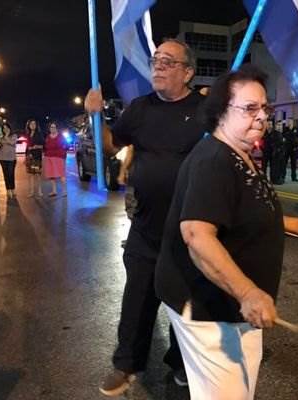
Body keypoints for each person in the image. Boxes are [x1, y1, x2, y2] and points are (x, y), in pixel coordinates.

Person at [155, 65, 298, 399]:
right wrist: (248, 292)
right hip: (211, 309)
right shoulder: (214, 161)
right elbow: (196, 235)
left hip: (233, 308)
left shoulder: (240, 154)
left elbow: (242, 212)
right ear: (221, 112)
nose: (262, 116)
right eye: (250, 108)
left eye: (264, 108)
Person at [85, 38, 204, 396]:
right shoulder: (140, 108)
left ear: (188, 72)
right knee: (137, 296)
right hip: (147, 224)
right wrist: (96, 116)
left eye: (169, 61)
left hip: (190, 228)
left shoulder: (205, 110)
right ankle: (126, 364)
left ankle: (182, 363)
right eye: (156, 60)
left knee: (186, 301)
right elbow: (112, 145)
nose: (159, 66)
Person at [43, 121, 68, 197]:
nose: (52, 129)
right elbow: (45, 147)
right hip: (49, 157)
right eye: (51, 127)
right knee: (51, 175)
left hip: (59, 157)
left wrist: (63, 154)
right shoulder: (47, 137)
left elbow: (66, 145)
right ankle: (54, 191)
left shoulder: (60, 136)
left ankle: (64, 191)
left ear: (57, 128)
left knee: (61, 174)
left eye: (54, 127)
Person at [24, 119, 44, 197]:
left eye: (34, 124)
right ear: (29, 125)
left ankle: (39, 191)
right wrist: (26, 156)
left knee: (37, 174)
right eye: (31, 124)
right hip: (30, 157)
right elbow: (27, 146)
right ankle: (31, 192)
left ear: (36, 125)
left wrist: (36, 146)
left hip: (36, 157)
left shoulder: (39, 134)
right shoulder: (28, 134)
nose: (33, 125)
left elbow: (43, 145)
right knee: (31, 174)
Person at [0, 121, 17, 198]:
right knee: (6, 174)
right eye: (4, 128)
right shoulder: (1, 138)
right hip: (2, 158)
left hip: (11, 158)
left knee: (11, 174)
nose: (5, 129)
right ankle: (8, 190)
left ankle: (13, 189)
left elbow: (12, 143)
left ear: (10, 128)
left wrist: (6, 137)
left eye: (6, 128)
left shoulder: (14, 136)